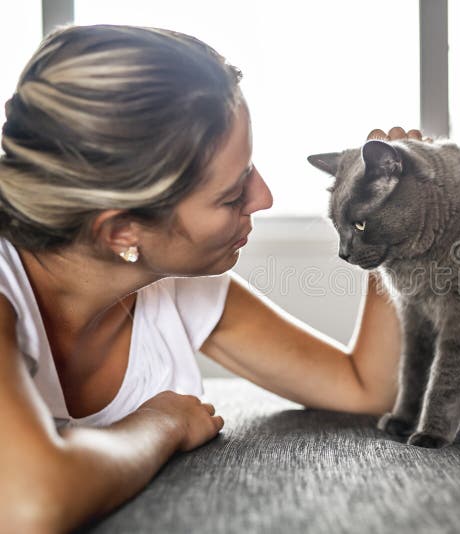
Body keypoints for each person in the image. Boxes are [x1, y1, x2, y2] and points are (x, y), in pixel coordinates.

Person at [0, 24, 412, 532]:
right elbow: (28, 504)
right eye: (232, 193)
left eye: (250, 169)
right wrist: (162, 422)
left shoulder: (174, 283)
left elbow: (366, 388)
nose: (263, 198)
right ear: (121, 231)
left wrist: (393, 225)